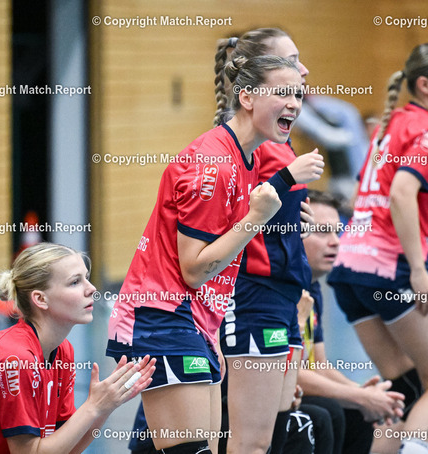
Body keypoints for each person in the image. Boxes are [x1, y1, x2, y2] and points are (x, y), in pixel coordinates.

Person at [107, 54, 321, 454]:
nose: (294, 104)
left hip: (197, 319)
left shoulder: (246, 157)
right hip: (163, 315)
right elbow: (194, 268)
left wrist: (213, 331)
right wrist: (257, 218)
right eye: (282, 93)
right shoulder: (215, 164)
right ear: (247, 97)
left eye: (298, 95)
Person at [328, 43, 428, 454]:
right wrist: (418, 268)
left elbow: (364, 194)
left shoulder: (389, 125)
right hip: (389, 268)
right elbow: (402, 194)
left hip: (349, 269)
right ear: (424, 85)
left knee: (403, 385)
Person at [213, 29, 325, 454]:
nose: (304, 69)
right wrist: (287, 180)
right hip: (253, 293)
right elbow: (233, 216)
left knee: (278, 423)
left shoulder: (277, 136)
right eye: (291, 61)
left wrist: (296, 217)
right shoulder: (242, 144)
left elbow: (268, 209)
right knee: (251, 442)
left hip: (284, 291)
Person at [0, 243, 156, 453]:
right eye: (75, 282)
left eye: (86, 278)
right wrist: (94, 406)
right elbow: (28, 452)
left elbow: (66, 448)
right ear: (40, 299)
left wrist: (106, 405)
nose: (91, 289)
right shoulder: (15, 358)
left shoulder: (62, 350)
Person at [294, 190, 405, 454]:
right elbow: (286, 372)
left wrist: (367, 395)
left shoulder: (312, 288)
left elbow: (319, 366)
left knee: (358, 413)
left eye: (337, 231)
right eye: (322, 232)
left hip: (294, 389)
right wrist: (359, 396)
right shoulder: (280, 291)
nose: (335, 242)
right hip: (267, 394)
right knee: (329, 411)